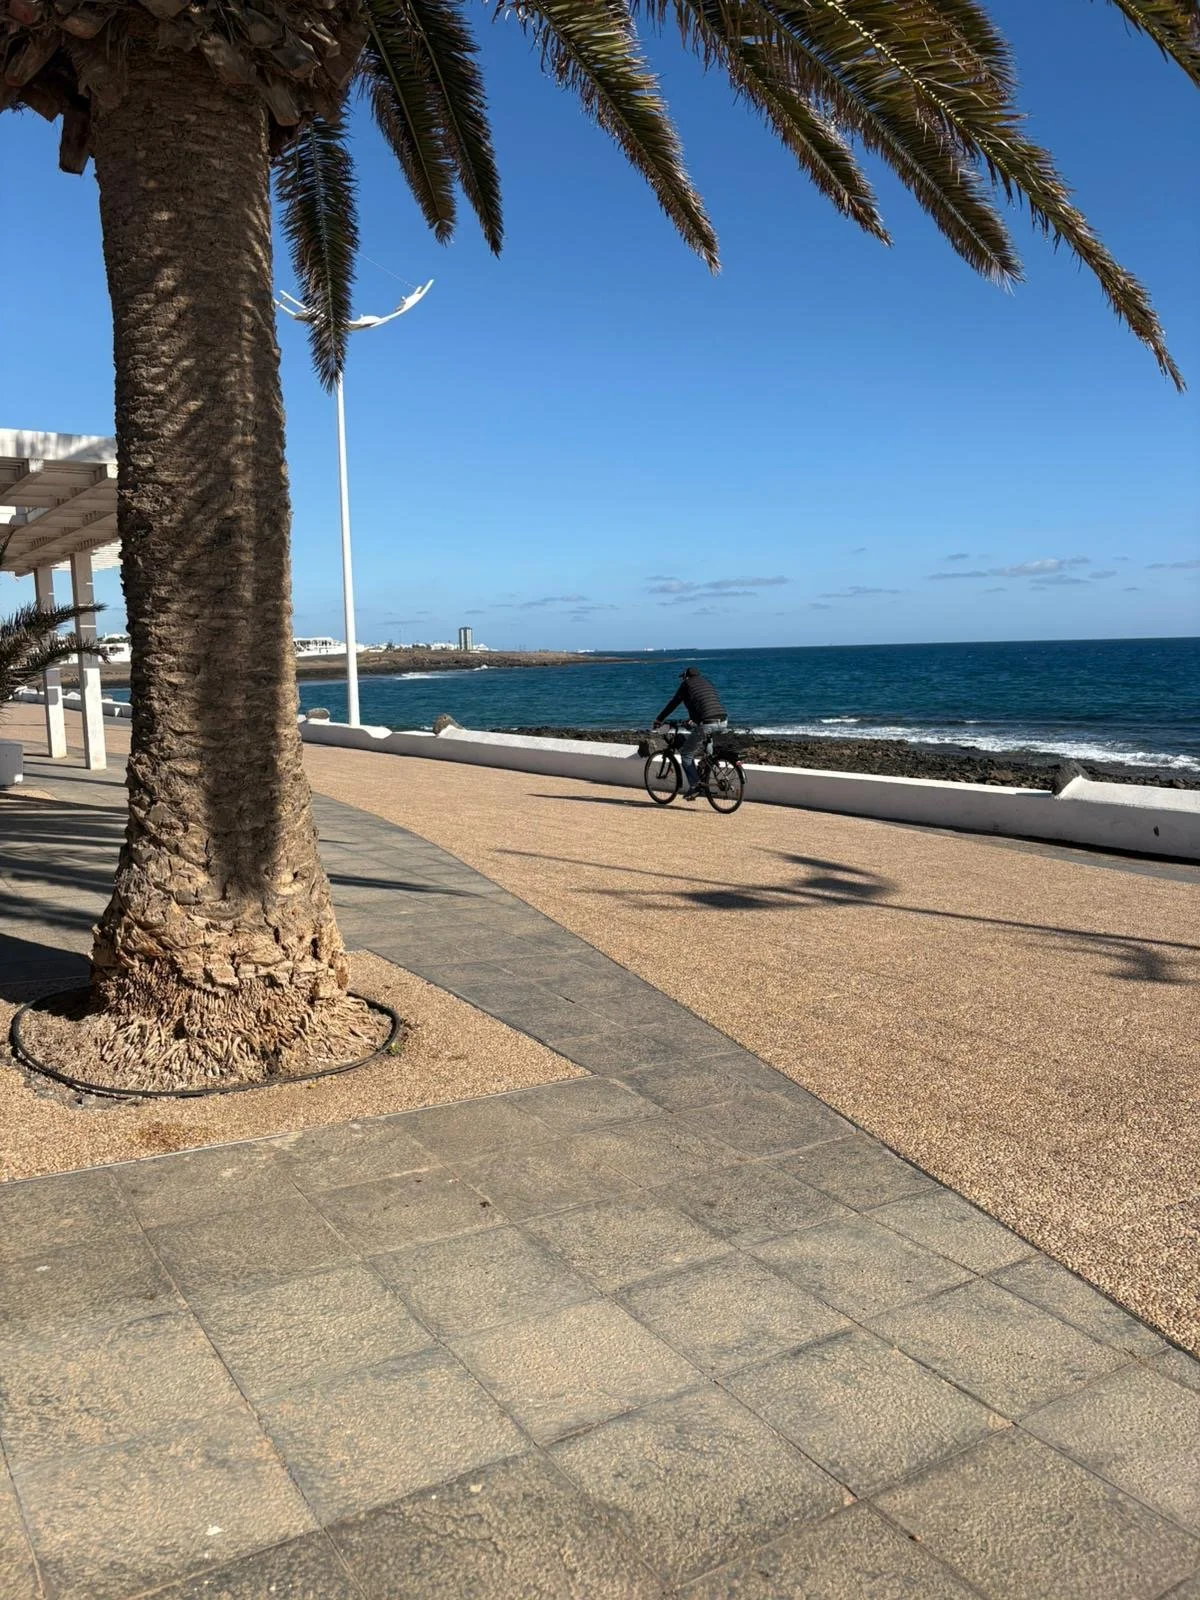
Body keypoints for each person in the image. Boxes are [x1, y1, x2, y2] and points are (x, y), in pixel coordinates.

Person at [654, 666, 729, 800]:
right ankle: (708, 763)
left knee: (686, 754)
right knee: (703, 738)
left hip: (707, 723)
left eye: (683, 677)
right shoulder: (706, 682)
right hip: (723, 720)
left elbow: (673, 703)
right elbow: (703, 704)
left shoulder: (686, 685)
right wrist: (693, 720)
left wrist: (659, 719)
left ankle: (695, 786)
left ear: (686, 676)